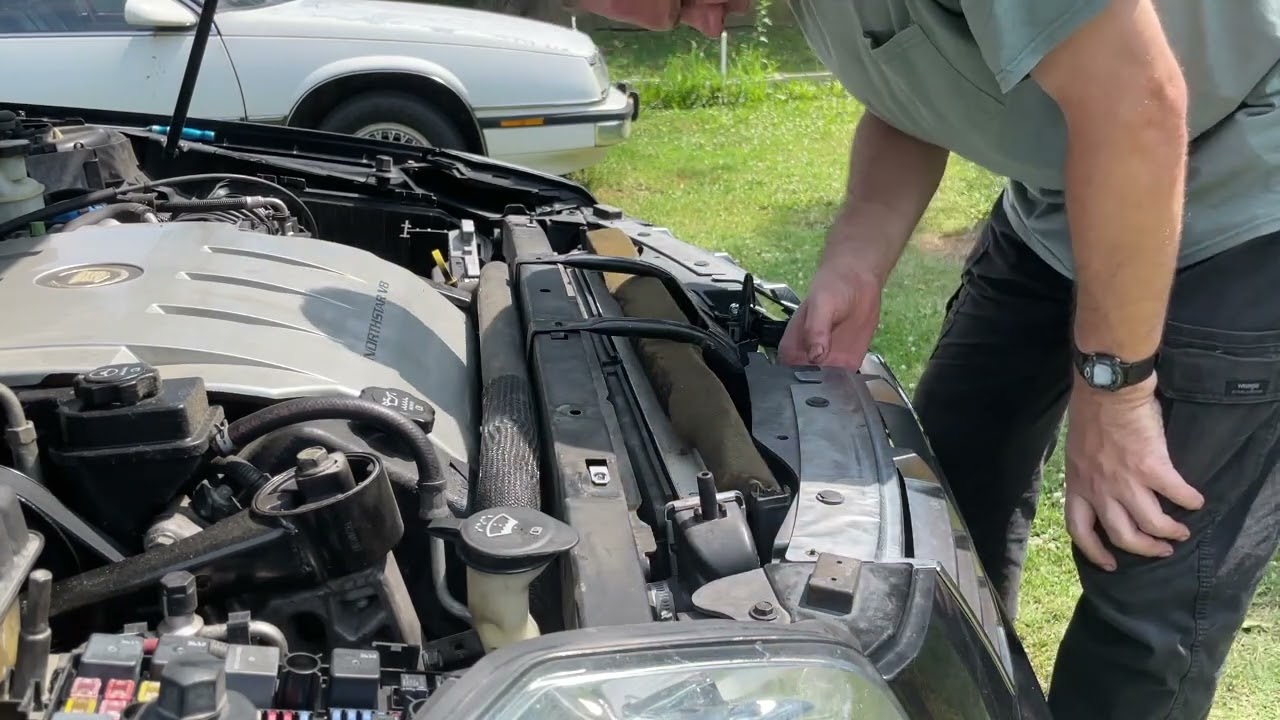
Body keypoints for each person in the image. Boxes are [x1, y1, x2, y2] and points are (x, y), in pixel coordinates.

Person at [580, 1, 1280, 717]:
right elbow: (910, 98)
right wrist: (857, 260)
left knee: (1146, 579)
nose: (706, 28)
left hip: (1244, 196)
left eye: (688, 2)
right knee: (949, 494)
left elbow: (1136, 105)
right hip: (1057, 203)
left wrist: (1115, 390)